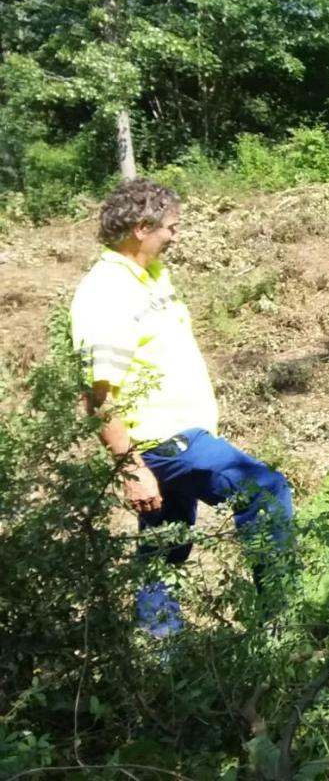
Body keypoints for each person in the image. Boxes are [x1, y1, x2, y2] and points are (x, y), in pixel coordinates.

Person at [70, 179, 294, 637]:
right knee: (265, 493)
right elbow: (97, 396)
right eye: (170, 227)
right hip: (163, 442)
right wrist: (131, 468)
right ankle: (280, 628)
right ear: (141, 227)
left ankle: (160, 652)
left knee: (163, 548)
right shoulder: (106, 292)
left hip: (179, 433)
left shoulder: (150, 275)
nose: (176, 235)